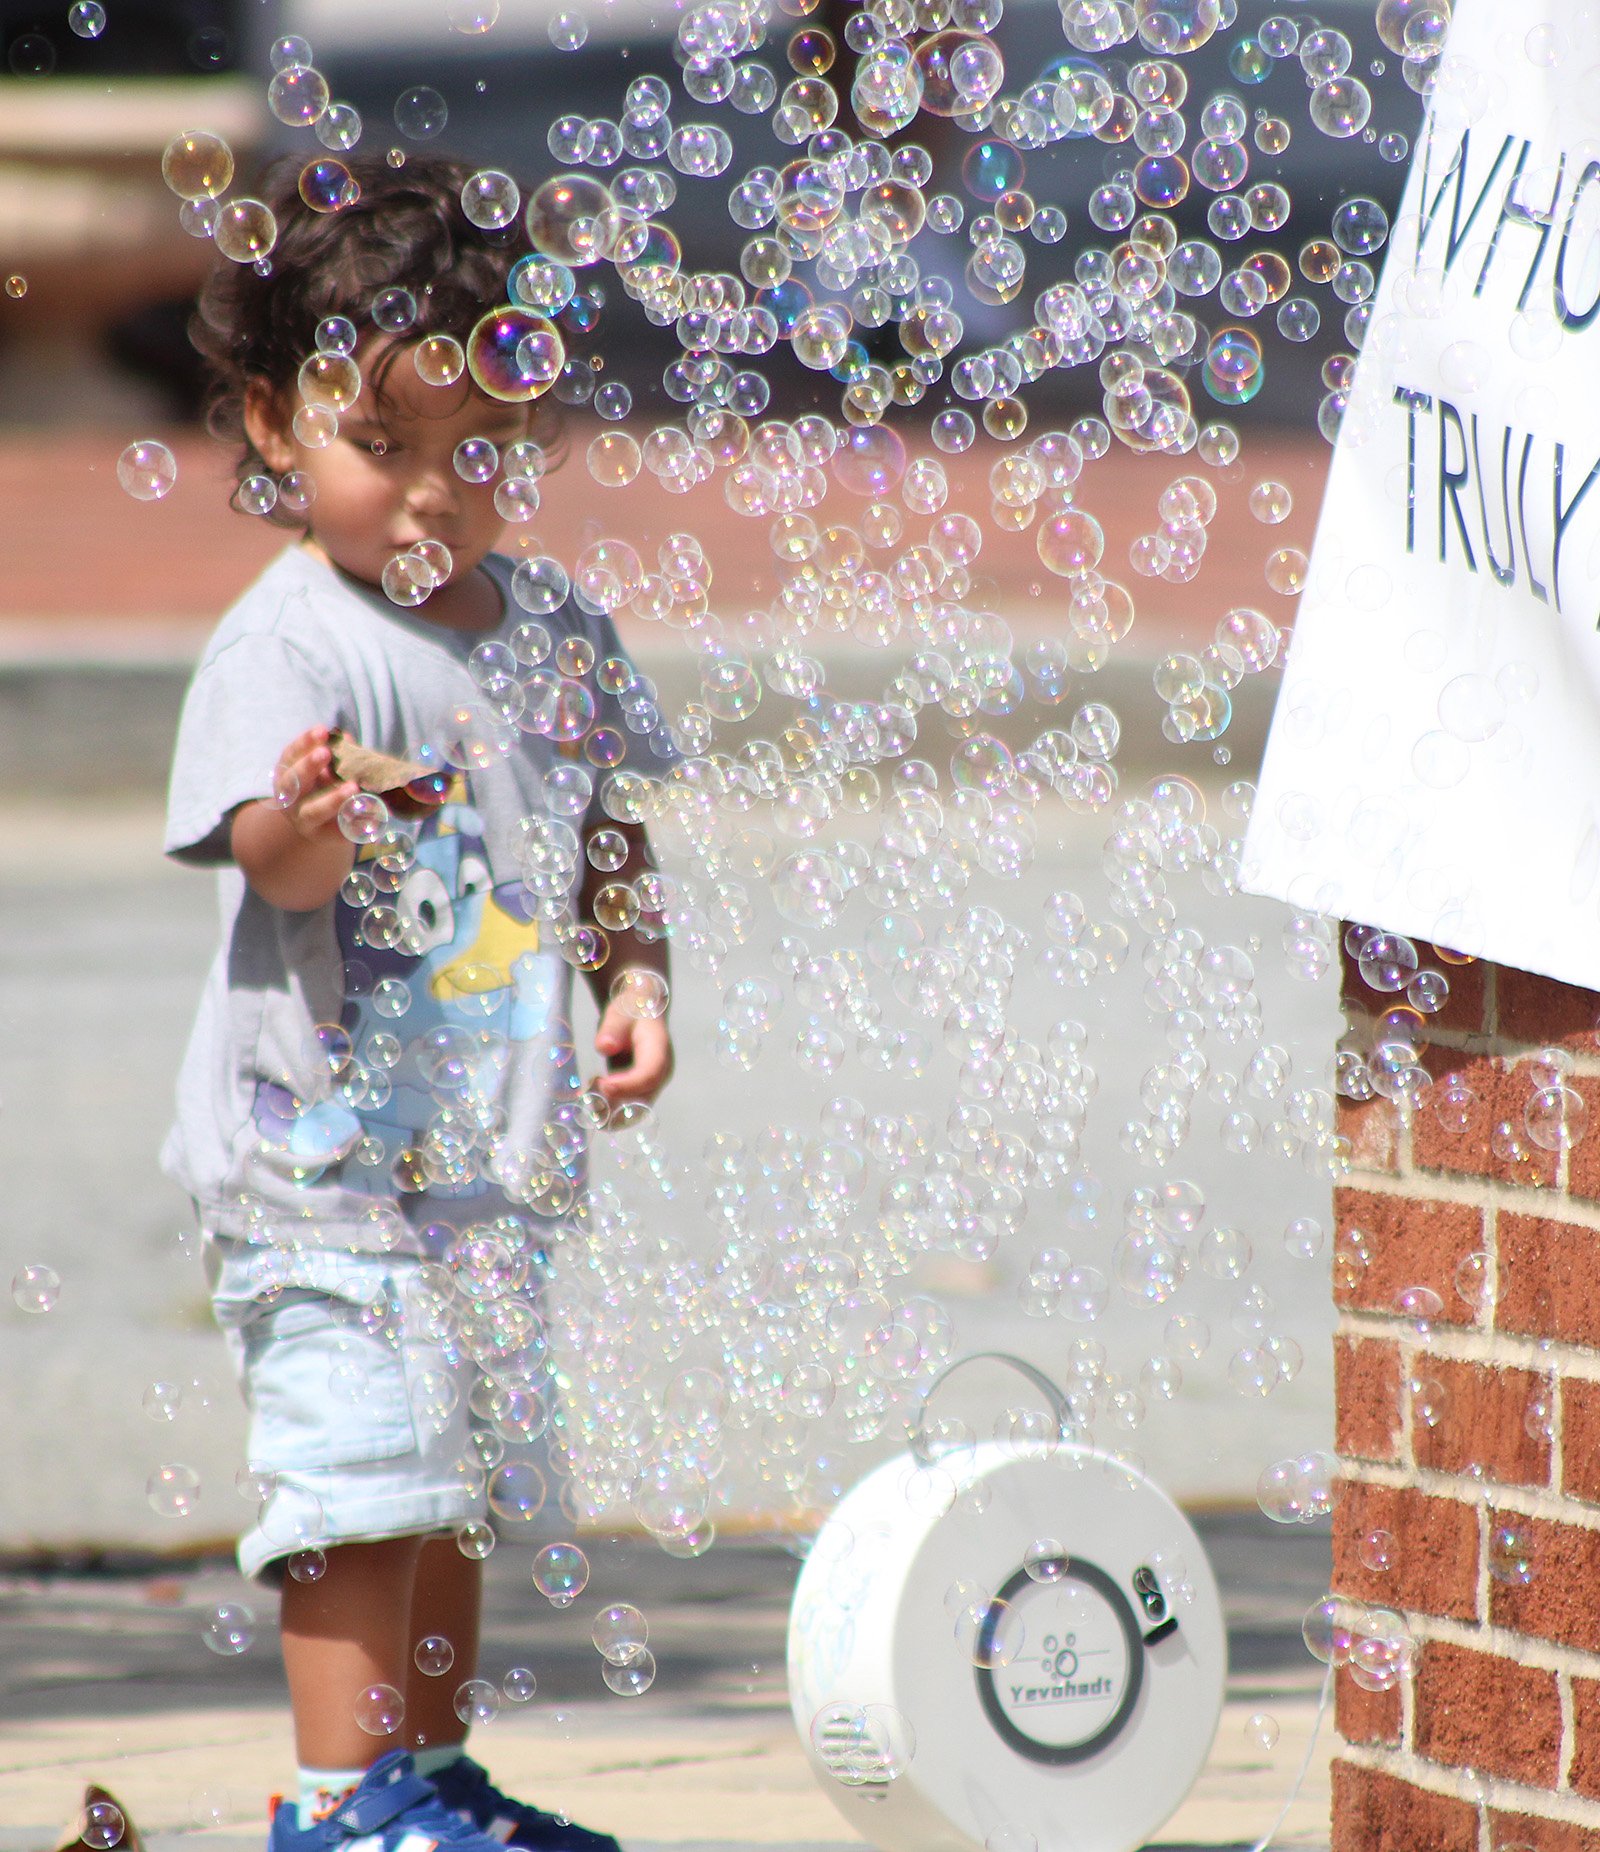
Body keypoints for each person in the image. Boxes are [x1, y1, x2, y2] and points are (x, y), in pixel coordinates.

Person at [165, 150, 674, 1852]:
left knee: (448, 1493)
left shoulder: (554, 634)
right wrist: (318, 820)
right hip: (327, 1173)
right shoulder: (290, 647)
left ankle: (426, 1777)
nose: (430, 499)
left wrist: (637, 973)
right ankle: (336, 1801)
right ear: (268, 423)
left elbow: (611, 837)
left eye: (476, 456)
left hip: (485, 1170)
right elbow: (271, 866)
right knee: (357, 1494)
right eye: (380, 450)